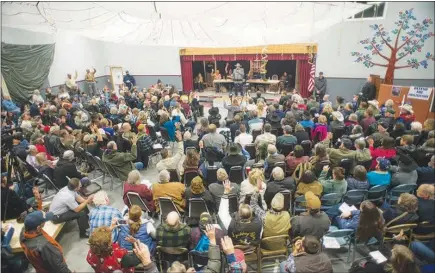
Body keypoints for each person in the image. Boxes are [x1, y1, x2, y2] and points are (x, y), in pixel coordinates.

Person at [219, 181, 262, 246]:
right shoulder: (259, 223)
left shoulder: (230, 224)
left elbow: (222, 212)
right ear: (251, 214)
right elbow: (256, 207)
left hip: (235, 249)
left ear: (238, 214)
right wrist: (257, 192)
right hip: (251, 248)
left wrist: (226, 193)